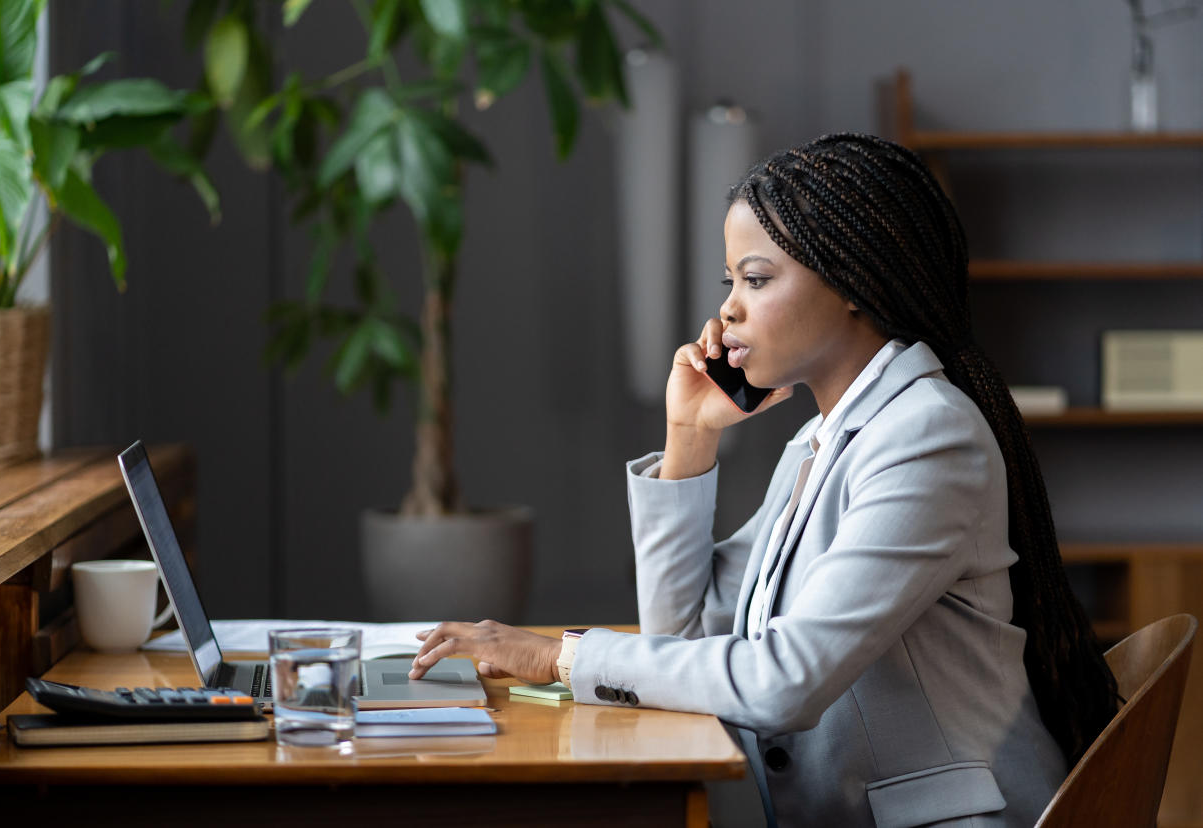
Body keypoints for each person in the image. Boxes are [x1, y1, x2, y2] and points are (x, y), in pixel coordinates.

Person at [410, 133, 1120, 827]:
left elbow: (783, 682)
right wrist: (689, 436)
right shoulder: (822, 439)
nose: (727, 311)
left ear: (852, 282)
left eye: (755, 279)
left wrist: (552, 655)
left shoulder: (928, 437)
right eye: (730, 283)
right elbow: (682, 636)